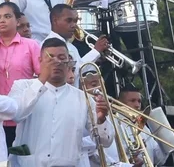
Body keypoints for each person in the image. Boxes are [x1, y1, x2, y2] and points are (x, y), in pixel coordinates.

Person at [8, 38, 114, 167]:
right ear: (40, 61)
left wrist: (101, 120)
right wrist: (41, 80)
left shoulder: (82, 97)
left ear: (69, 63)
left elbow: (105, 142)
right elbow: (17, 114)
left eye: (61, 57)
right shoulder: (22, 86)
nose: (56, 62)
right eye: (50, 57)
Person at [0, 2, 40, 148]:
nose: (2, 20)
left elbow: (41, 77)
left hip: (22, 114)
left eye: (7, 16)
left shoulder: (31, 45)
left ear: (17, 21)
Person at [43, 4, 109, 87]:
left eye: (75, 21)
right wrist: (96, 51)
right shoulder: (47, 46)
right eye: (69, 20)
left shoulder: (72, 47)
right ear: (55, 21)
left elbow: (80, 73)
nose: (74, 25)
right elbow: (76, 70)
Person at [118, 85, 168, 166]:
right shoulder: (114, 124)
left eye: (139, 101)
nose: (137, 105)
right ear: (120, 102)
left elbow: (159, 160)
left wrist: (165, 137)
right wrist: (133, 150)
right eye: (132, 100)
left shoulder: (144, 127)